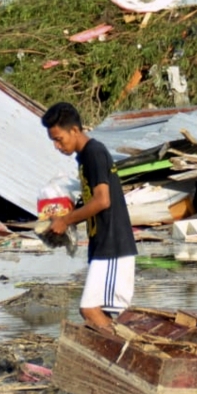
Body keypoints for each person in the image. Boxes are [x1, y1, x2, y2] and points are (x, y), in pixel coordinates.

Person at [42, 102, 137, 335]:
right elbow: (94, 201)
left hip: (113, 244)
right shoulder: (84, 157)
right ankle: (120, 356)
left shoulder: (94, 152)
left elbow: (103, 201)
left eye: (59, 139)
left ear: (75, 130)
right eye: (53, 141)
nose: (56, 146)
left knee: (90, 309)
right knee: (98, 312)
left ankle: (125, 358)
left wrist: (66, 221)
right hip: (103, 244)